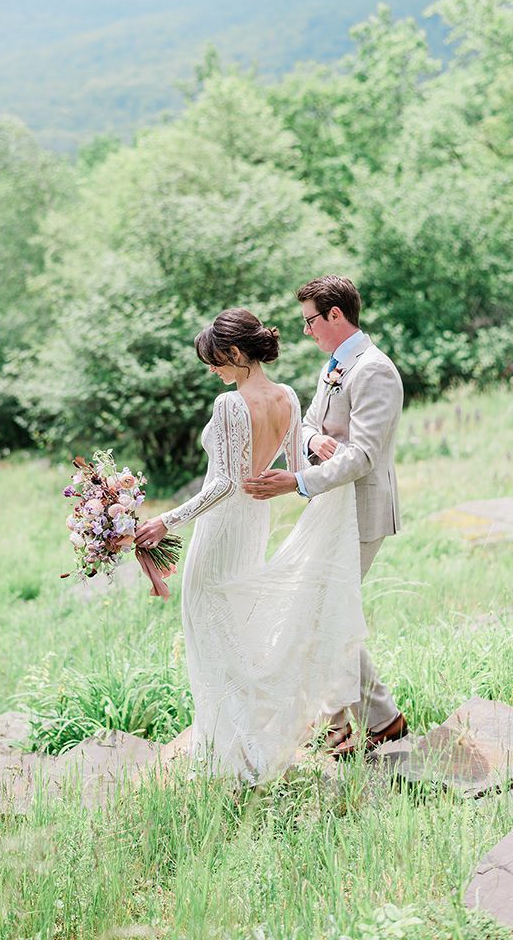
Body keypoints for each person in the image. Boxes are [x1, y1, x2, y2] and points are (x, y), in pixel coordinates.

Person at [136, 307, 367, 784]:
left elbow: (223, 484)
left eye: (217, 360)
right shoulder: (287, 396)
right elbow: (284, 464)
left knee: (207, 631)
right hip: (253, 525)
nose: (214, 371)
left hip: (221, 530)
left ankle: (228, 755)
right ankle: (240, 741)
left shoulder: (229, 406)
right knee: (234, 633)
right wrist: (316, 450)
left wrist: (165, 520)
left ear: (238, 353)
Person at [243, 276, 408, 757]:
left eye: (310, 321)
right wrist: (312, 441)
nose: (306, 332)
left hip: (360, 510)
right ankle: (377, 720)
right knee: (322, 612)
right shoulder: (334, 366)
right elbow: (310, 423)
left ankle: (353, 724)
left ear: (336, 315)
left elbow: (364, 457)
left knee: (324, 614)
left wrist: (297, 481)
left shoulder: (374, 370)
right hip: (329, 508)